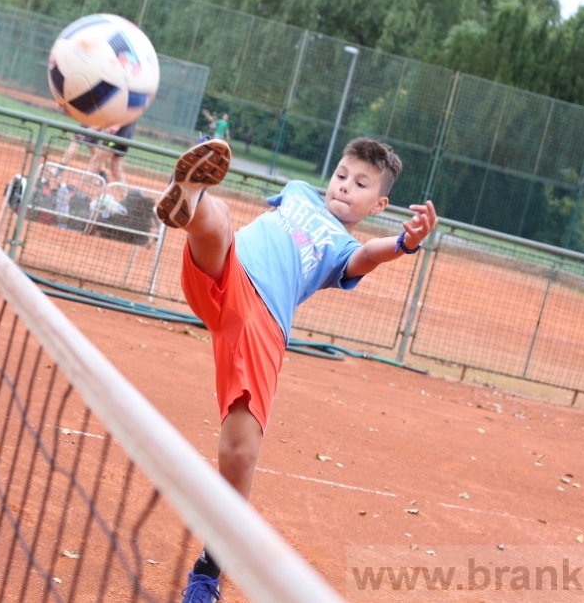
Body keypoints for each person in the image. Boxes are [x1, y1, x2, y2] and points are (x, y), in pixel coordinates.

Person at [154, 136, 437, 602]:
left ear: (379, 203)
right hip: (227, 268)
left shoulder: (344, 249)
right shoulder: (298, 191)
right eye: (342, 176)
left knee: (241, 455)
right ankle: (190, 199)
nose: (344, 187)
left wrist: (406, 242)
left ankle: (210, 566)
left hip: (261, 318)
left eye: (360, 184)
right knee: (218, 220)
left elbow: (369, 255)